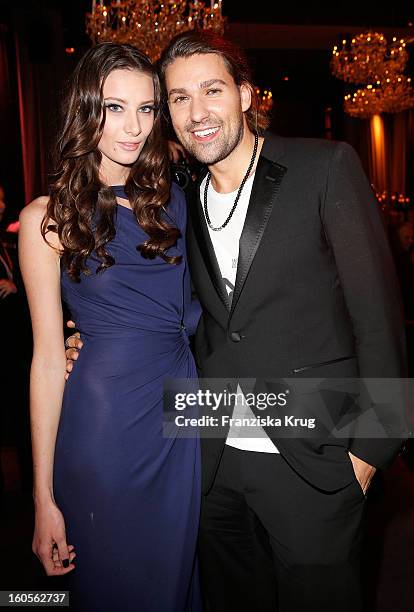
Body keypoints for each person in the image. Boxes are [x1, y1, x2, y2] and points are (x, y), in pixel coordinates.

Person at [65, 32, 409, 612]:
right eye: (177, 98)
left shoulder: (323, 167)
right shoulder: (173, 198)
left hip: (315, 455)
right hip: (208, 459)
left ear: (246, 95)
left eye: (212, 90)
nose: (197, 113)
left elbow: (378, 318)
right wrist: (90, 343)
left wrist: (372, 451)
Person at [19, 42, 202, 612]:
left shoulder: (180, 202)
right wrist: (42, 498)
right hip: (105, 431)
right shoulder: (45, 219)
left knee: (179, 583)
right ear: (84, 111)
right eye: (113, 108)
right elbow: (49, 358)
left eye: (147, 109)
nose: (133, 127)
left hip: (183, 423)